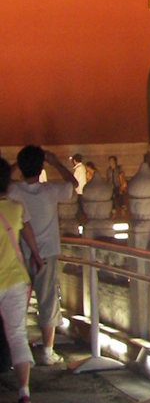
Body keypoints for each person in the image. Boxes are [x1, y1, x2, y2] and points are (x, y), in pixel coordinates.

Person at [8, 145, 77, 366]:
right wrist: (54, 162)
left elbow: (2, 179)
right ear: (41, 168)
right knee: (48, 301)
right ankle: (48, 352)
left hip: (20, 254)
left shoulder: (15, 190)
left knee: (19, 302)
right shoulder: (50, 191)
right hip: (46, 254)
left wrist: (19, 162)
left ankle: (15, 350)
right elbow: (73, 184)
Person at [0, 157, 42, 403]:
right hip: (15, 280)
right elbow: (27, 232)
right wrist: (36, 256)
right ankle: (24, 394)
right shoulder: (15, 208)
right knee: (17, 336)